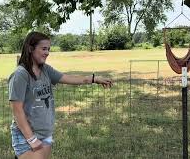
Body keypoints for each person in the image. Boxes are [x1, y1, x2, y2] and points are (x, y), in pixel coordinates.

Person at [8, 31, 113, 159]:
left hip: (45, 132)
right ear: (30, 48)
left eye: (49, 49)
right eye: (44, 49)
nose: (47, 52)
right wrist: (31, 139)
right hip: (27, 136)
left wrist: (94, 79)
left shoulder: (45, 69)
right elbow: (17, 111)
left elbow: (68, 78)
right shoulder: (21, 75)